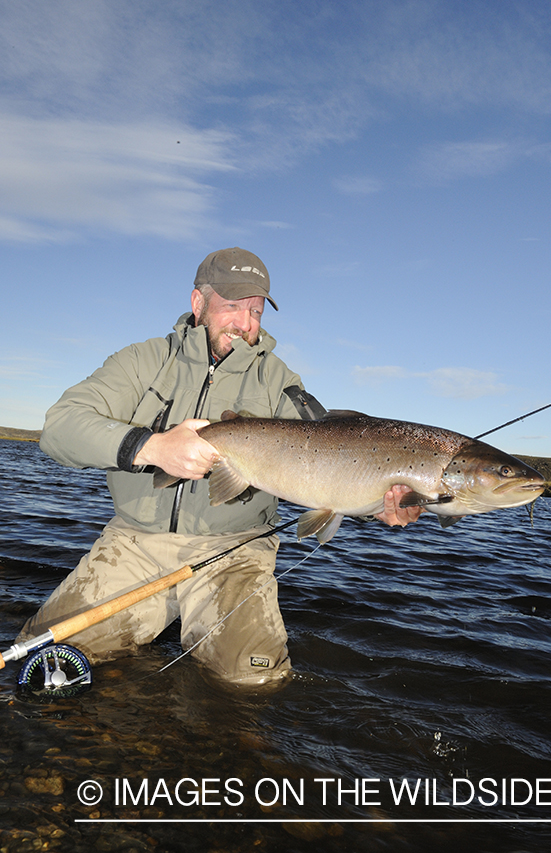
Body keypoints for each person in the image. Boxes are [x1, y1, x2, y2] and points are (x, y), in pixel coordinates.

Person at [19, 247, 420, 687]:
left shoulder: (280, 382)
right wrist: (151, 447)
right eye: (232, 306)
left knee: (251, 686)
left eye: (256, 311)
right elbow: (59, 428)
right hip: (133, 544)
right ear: (198, 303)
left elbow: (328, 461)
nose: (245, 324)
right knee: (39, 663)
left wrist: (373, 501)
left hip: (236, 552)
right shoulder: (143, 361)